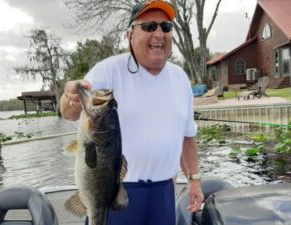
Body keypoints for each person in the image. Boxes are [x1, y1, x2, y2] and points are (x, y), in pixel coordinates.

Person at [60, 0, 204, 224]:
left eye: (166, 27)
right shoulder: (108, 70)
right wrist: (70, 101)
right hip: (114, 192)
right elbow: (69, 112)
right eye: (149, 27)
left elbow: (187, 134)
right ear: (130, 35)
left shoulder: (181, 78)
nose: (159, 33)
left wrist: (194, 179)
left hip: (164, 193)